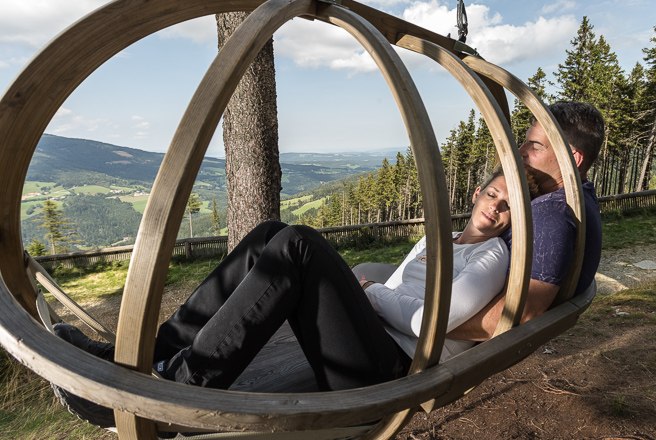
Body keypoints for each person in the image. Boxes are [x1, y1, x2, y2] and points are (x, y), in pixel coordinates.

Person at [51, 170, 513, 428]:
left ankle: (179, 394)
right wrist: (362, 292)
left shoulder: (494, 256)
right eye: (493, 194)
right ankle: (138, 356)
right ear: (477, 193)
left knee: (298, 244)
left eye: (507, 205)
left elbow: (431, 321)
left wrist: (366, 294)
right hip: (371, 337)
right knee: (272, 234)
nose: (495, 207)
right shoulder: (445, 238)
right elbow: (404, 293)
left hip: (393, 368)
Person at [448, 101, 605, 341]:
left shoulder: (552, 214)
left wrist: (423, 323)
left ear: (572, 158)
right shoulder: (580, 199)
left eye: (535, 146)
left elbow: (521, 312)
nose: (521, 151)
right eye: (525, 141)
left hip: (431, 341)